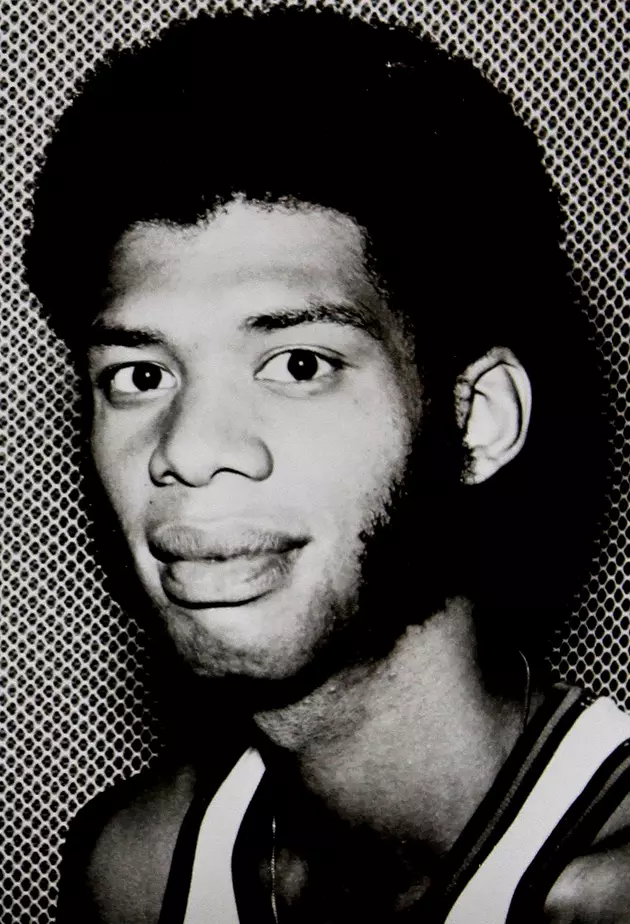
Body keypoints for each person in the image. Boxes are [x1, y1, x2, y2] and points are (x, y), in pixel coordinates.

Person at [24, 6, 630, 922]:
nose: (188, 450)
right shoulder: (137, 871)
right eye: (141, 376)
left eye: (300, 364)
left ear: (476, 421)